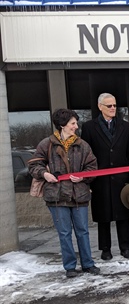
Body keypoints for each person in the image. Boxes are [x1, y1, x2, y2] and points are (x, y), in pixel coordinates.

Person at [28, 109, 99, 278]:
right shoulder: (47, 144)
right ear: (62, 125)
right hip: (56, 197)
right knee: (64, 233)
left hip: (79, 196)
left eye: (76, 123)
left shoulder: (83, 145)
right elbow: (34, 165)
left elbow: (92, 168)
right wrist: (44, 174)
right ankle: (70, 267)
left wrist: (82, 177)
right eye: (73, 123)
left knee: (83, 231)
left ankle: (88, 264)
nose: (76, 126)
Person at [80, 93, 129, 260]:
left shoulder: (125, 127)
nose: (113, 108)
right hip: (100, 180)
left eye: (114, 105)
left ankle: (125, 247)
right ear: (100, 107)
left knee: (123, 215)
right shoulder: (89, 127)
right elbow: (86, 154)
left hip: (121, 179)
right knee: (103, 216)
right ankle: (105, 249)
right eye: (109, 106)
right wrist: (88, 180)